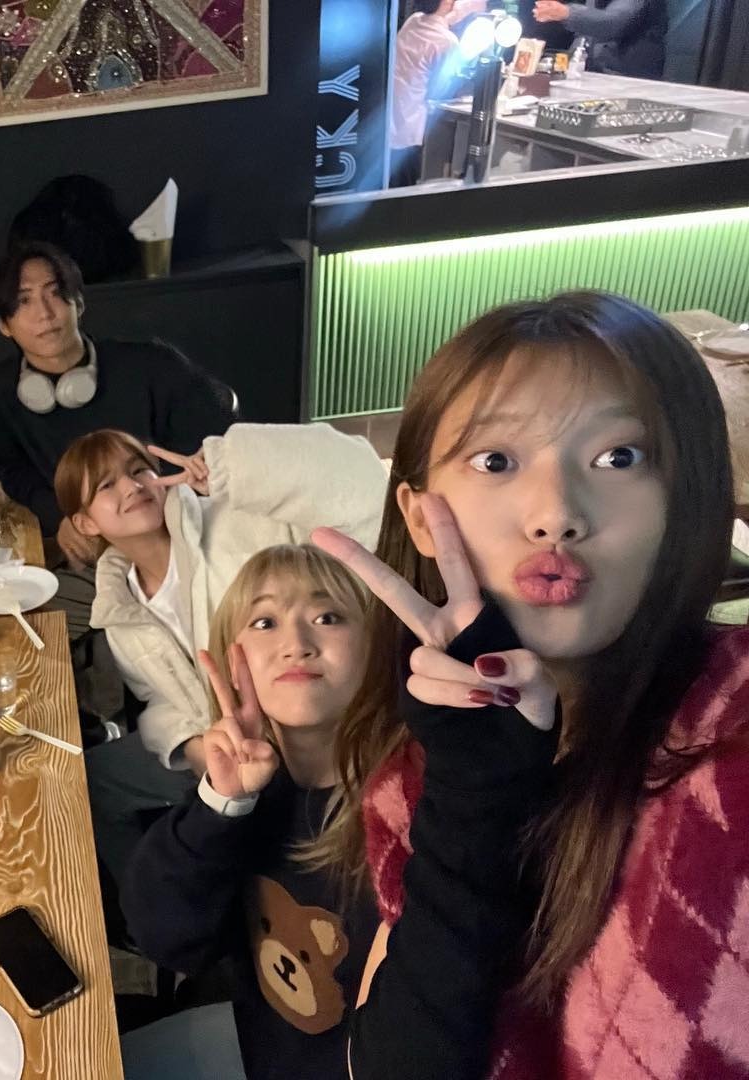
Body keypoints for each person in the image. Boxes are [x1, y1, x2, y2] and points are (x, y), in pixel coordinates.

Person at [310, 292, 748, 1078]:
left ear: (685, 497)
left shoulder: (733, 743)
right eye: (496, 461)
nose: (555, 515)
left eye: (619, 457)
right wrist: (474, 799)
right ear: (419, 518)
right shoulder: (417, 770)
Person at [52, 425, 385, 893]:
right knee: (89, 780)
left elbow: (366, 492)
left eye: (139, 470)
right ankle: (138, 901)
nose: (131, 486)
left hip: (303, 727)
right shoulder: (118, 605)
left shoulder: (236, 517)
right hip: (220, 748)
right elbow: (157, 699)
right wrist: (192, 747)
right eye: (107, 485)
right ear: (86, 523)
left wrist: (237, 466)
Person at [120, 545, 381, 1079]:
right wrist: (220, 805)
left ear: (375, 648)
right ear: (231, 658)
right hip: (262, 1052)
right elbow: (165, 938)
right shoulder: (244, 796)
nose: (297, 644)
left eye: (327, 617)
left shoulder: (410, 805)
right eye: (265, 622)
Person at [0, 242, 237, 570]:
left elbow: (214, 440)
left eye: (55, 293)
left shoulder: (152, 364)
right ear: (4, 324)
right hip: (91, 541)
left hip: (178, 530)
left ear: (79, 303)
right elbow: (9, 467)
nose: (44, 313)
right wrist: (60, 516)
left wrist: (154, 507)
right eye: (23, 301)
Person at [388, 0, 484, 188]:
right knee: (404, 188)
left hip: (390, 116)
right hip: (411, 124)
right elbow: (442, 89)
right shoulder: (446, 41)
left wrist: (454, 15)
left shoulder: (413, 21)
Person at [532, 0, 667, 79]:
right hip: (593, 76)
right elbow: (585, 35)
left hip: (628, 80)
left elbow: (611, 23)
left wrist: (567, 13)